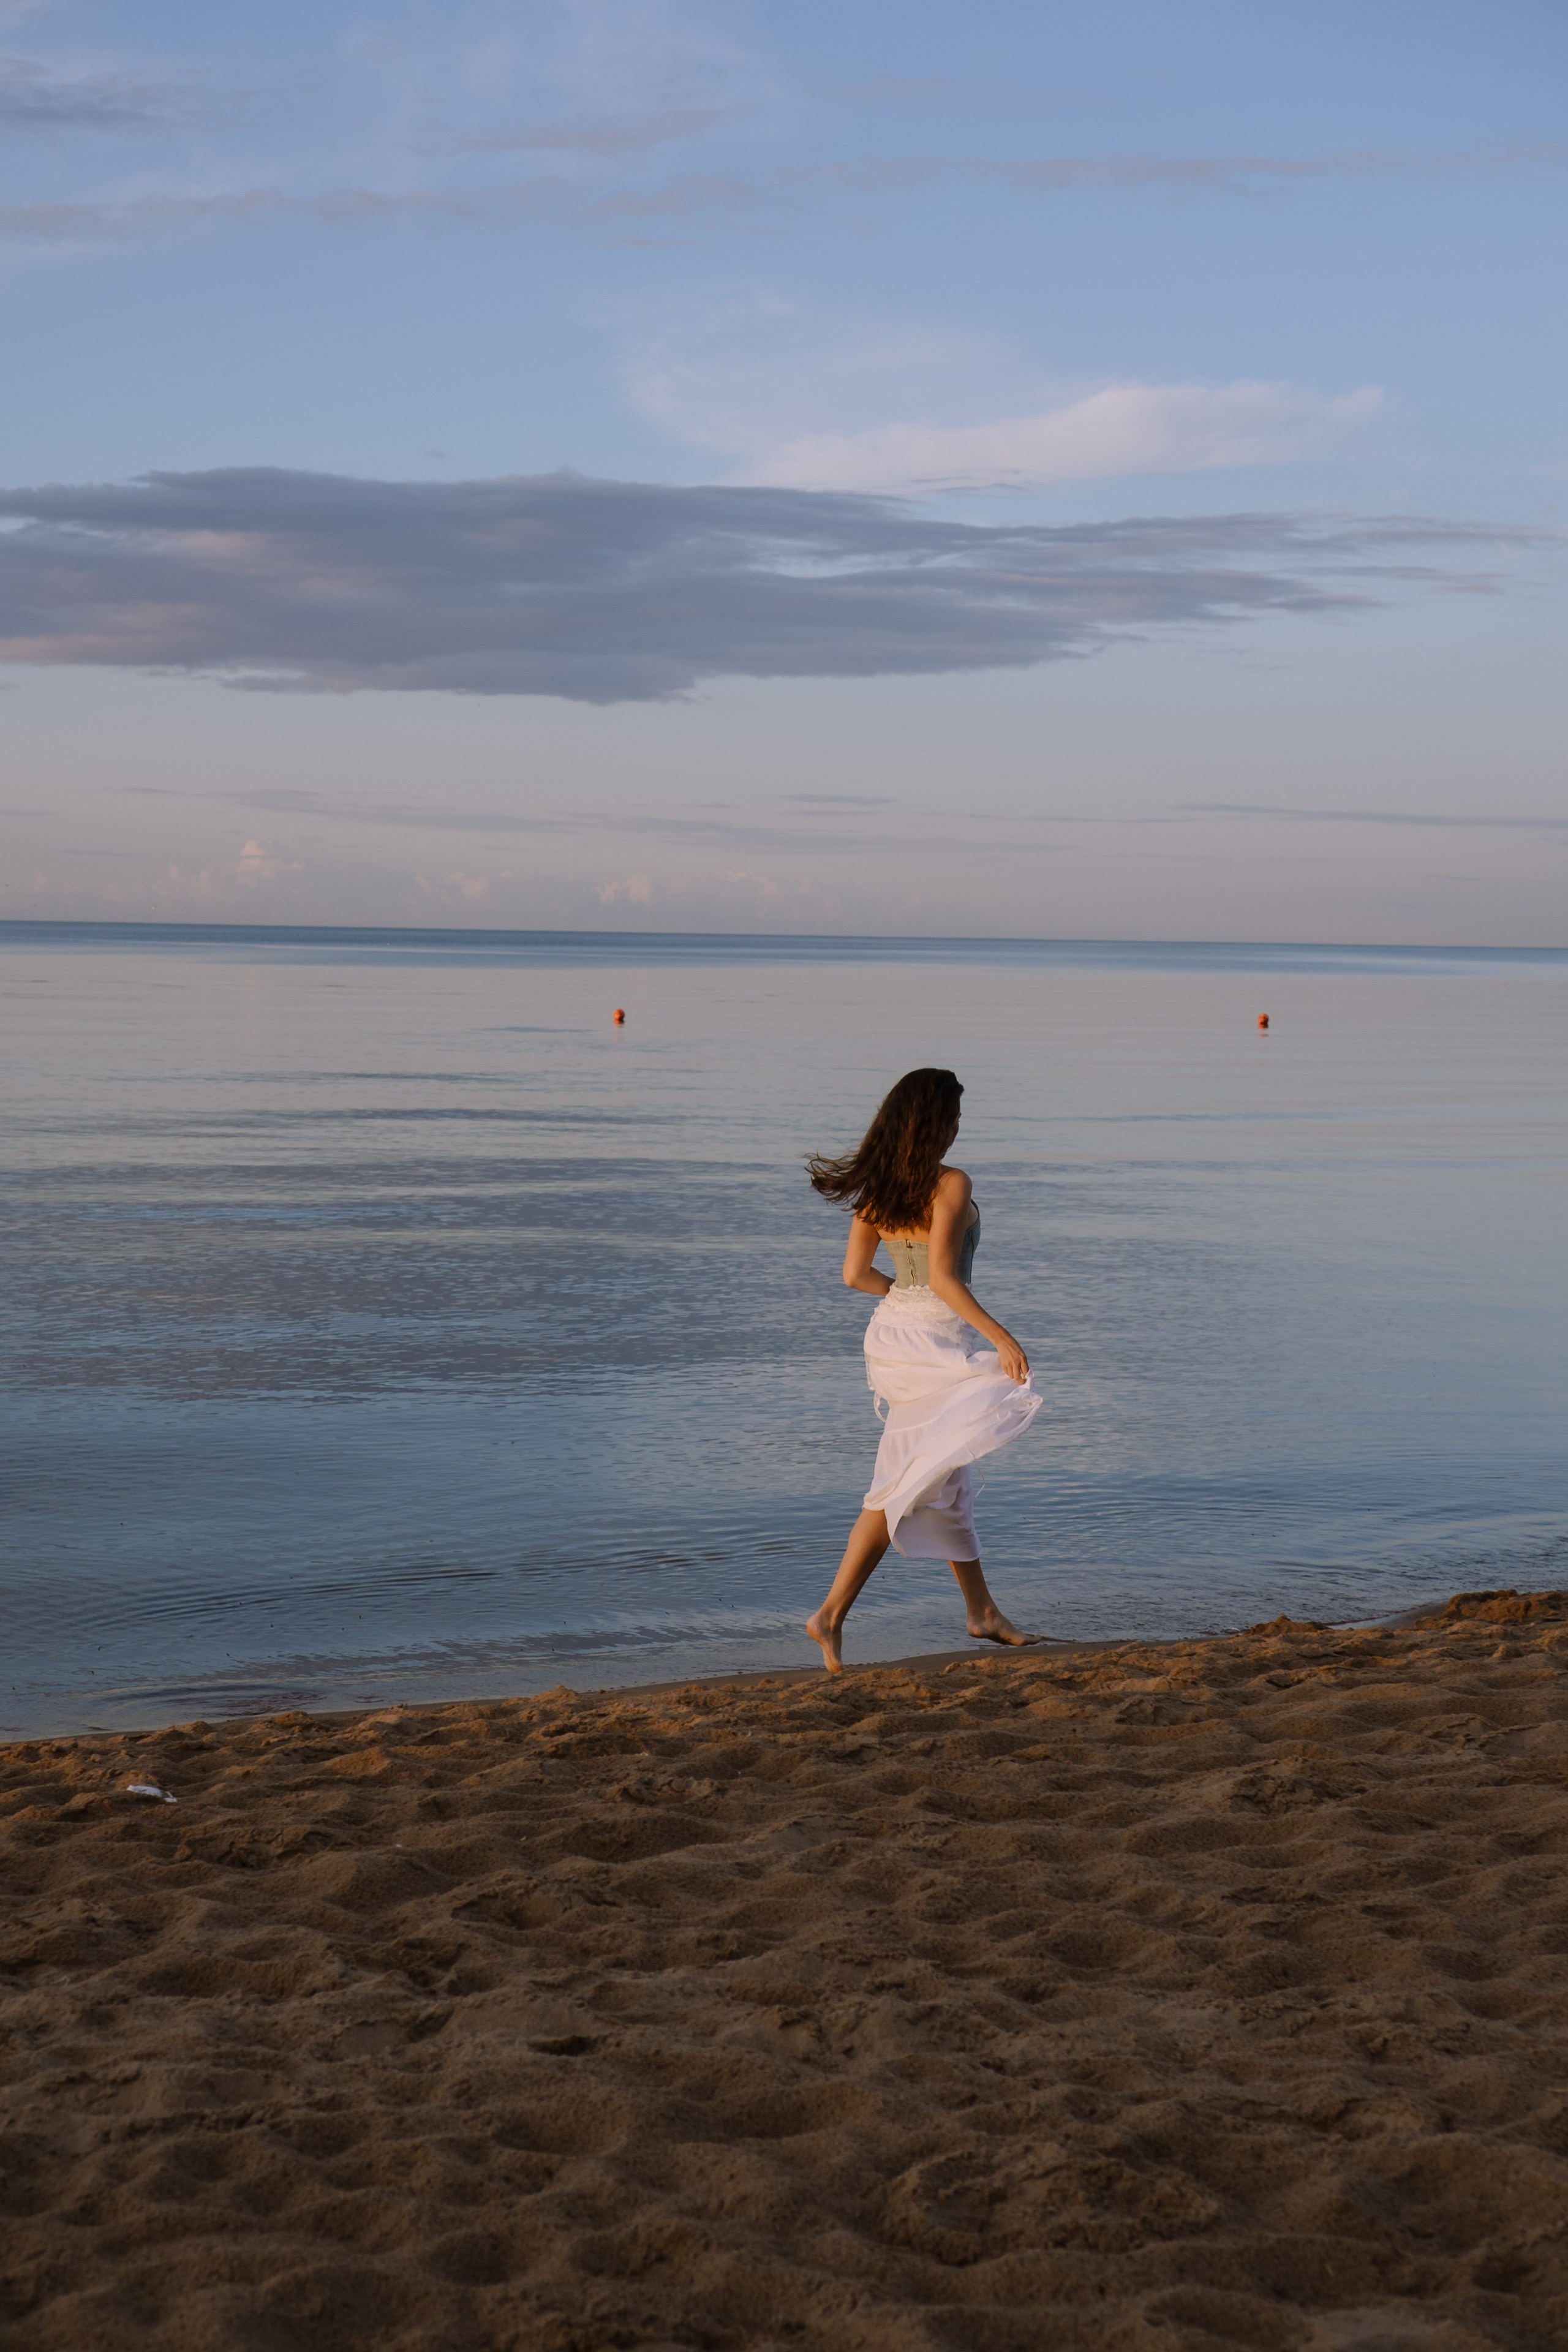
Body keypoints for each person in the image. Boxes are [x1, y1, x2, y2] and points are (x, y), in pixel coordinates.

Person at [804, 1066, 1044, 1673]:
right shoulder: (951, 1184)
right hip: (936, 1341)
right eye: (956, 1116)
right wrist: (1001, 1337)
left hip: (891, 1337)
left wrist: (901, 1297)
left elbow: (855, 1276)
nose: (960, 1126)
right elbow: (942, 1277)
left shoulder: (878, 1186)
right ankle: (830, 1613)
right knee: (907, 1479)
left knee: (944, 1469)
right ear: (937, 1122)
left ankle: (982, 1612)